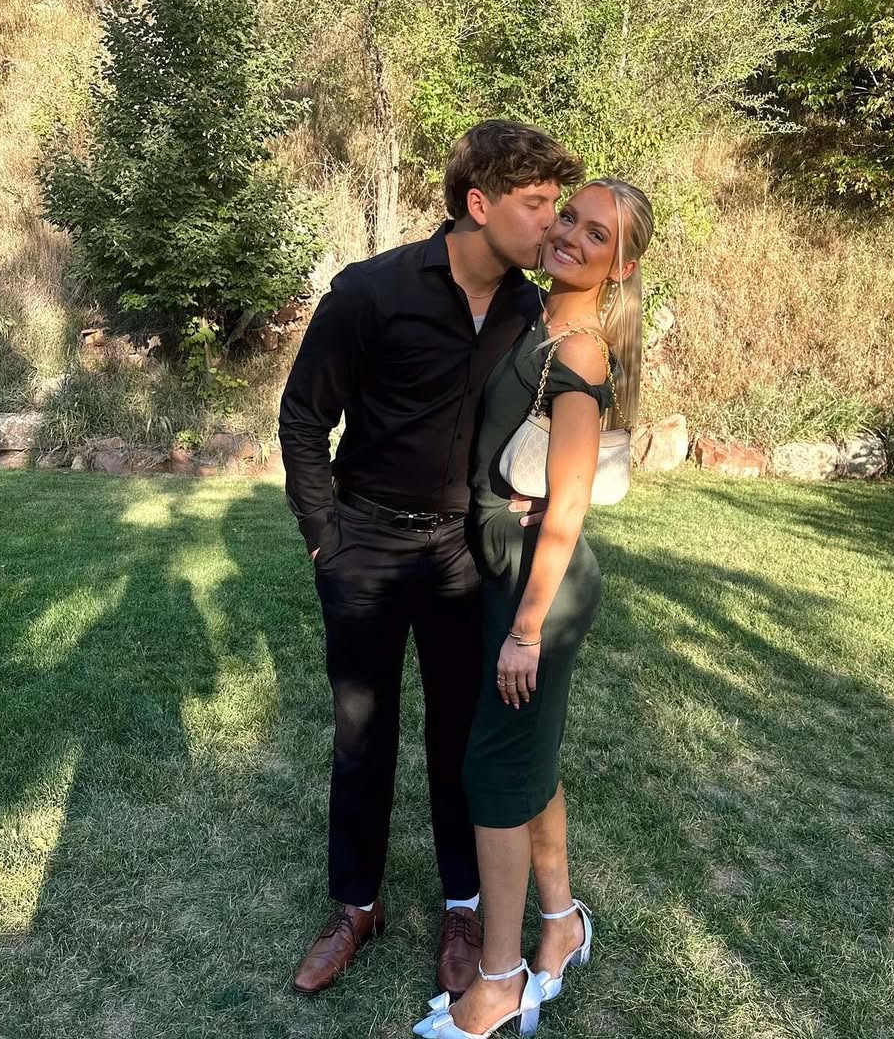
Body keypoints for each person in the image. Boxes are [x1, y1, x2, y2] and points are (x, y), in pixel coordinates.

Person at [277, 121, 584, 1000]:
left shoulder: (529, 312)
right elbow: (303, 417)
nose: (551, 222)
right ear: (479, 203)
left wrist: (525, 495)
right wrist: (323, 535)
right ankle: (356, 906)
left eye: (557, 205)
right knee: (361, 732)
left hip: (463, 555)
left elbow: (555, 422)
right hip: (365, 544)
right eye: (536, 204)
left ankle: (462, 909)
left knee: (461, 736)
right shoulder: (371, 292)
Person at [413, 179, 655, 1039]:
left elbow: (571, 502)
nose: (571, 237)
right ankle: (561, 925)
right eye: (570, 218)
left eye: (597, 236)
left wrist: (525, 628)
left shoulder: (580, 352)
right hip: (505, 570)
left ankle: (499, 982)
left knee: (492, 777)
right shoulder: (534, 317)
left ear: (619, 265)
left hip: (537, 590)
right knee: (529, 763)